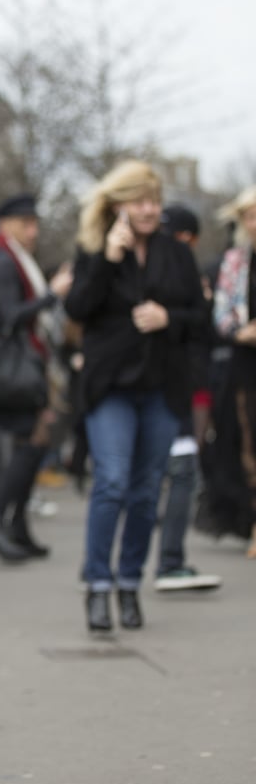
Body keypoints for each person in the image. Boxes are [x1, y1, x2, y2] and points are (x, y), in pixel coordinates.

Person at [64, 161, 207, 632]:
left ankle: (129, 584)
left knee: (147, 493)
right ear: (118, 204)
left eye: (154, 200)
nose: (149, 209)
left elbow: (202, 320)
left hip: (163, 387)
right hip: (111, 386)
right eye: (139, 200)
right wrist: (107, 257)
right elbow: (78, 308)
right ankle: (98, 587)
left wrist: (170, 318)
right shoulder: (95, 248)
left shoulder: (176, 254)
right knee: (112, 481)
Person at [0, 193, 73, 562]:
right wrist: (52, 296)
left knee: (33, 445)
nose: (34, 231)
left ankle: (12, 526)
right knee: (28, 446)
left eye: (35, 223)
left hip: (26, 365)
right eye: (26, 223)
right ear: (7, 224)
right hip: (15, 368)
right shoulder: (4, 262)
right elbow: (10, 317)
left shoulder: (15, 260)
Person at [153, 205, 221, 591]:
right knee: (182, 470)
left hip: (159, 385)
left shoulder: (143, 266)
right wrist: (204, 306)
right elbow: (198, 333)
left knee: (139, 477)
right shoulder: (179, 275)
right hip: (179, 386)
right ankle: (170, 561)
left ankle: (104, 571)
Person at [212, 185, 256, 559]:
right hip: (247, 362)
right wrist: (240, 331)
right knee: (249, 442)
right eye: (250, 215)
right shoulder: (235, 262)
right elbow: (222, 311)